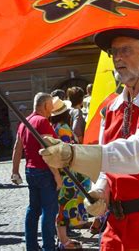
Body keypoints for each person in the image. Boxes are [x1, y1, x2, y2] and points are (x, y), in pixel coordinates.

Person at [39, 28, 139, 250]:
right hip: (116, 229)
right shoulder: (111, 108)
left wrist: (74, 155)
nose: (118, 58)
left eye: (126, 50)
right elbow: (107, 168)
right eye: (114, 52)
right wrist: (101, 191)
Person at [11, 93, 59, 251]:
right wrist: (57, 176)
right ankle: (49, 247)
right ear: (45, 105)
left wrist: (15, 171)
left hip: (30, 170)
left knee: (33, 209)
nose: (52, 109)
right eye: (51, 106)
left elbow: (17, 148)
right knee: (48, 210)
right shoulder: (43, 122)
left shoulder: (24, 122)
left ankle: (31, 246)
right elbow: (49, 151)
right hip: (44, 171)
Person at [49, 97, 89, 250]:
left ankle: (63, 239)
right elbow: (69, 150)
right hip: (68, 174)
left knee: (62, 207)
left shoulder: (54, 127)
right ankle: (64, 241)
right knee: (64, 207)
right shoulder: (63, 128)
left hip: (61, 171)